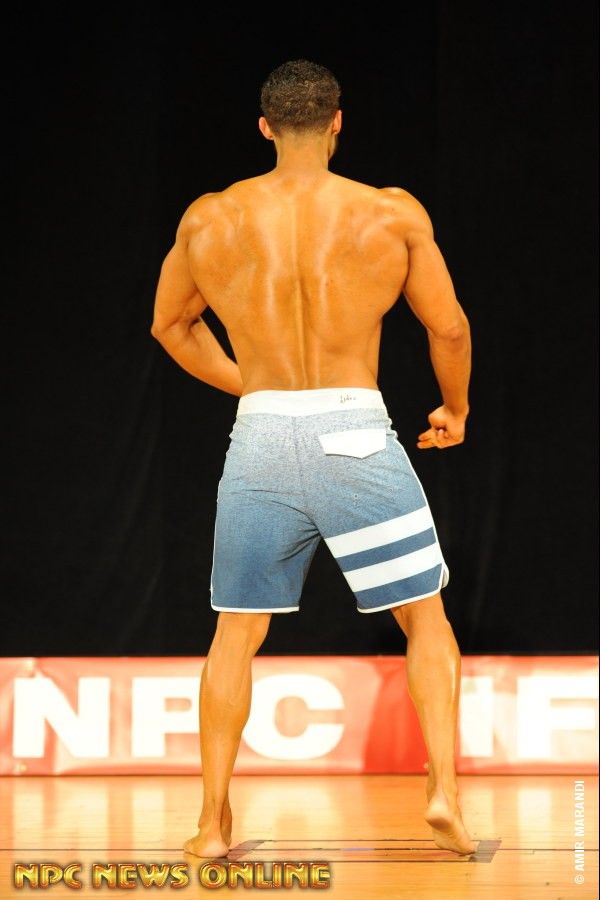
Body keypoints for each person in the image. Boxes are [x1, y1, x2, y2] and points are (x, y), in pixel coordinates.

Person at [151, 59, 474, 857]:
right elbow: (448, 327)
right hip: (354, 431)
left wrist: (256, 386)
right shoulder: (389, 213)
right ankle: (443, 792)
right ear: (337, 122)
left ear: (265, 127)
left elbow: (170, 326)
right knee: (425, 619)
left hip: (262, 436)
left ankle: (212, 823)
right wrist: (455, 409)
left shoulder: (210, 218)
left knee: (235, 633)